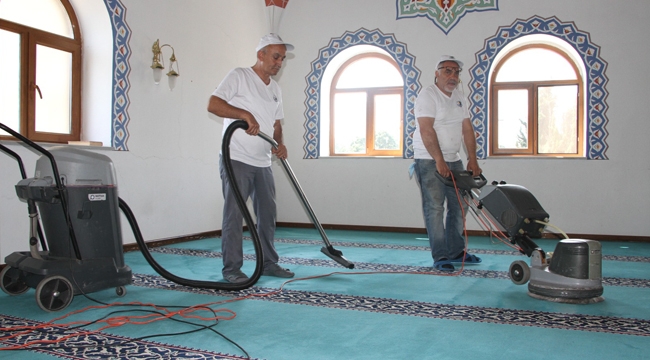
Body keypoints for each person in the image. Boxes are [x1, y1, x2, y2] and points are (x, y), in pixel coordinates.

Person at [207, 34, 295, 283]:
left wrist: (280, 143)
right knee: (234, 215)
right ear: (261, 55)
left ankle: (268, 262)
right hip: (236, 157)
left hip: (263, 162)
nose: (279, 63)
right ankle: (232, 269)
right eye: (276, 57)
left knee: (267, 214)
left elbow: (276, 124)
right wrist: (243, 113)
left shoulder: (275, 89)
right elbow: (213, 104)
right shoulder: (239, 76)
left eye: (282, 59)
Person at [412, 55, 483, 272]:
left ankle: (456, 251)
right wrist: (439, 160)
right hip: (429, 159)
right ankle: (441, 256)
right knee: (434, 208)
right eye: (447, 71)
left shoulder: (460, 97)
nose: (452, 75)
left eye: (456, 72)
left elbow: (467, 129)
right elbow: (426, 129)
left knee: (461, 206)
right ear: (437, 73)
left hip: (455, 160)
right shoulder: (428, 95)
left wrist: (472, 158)